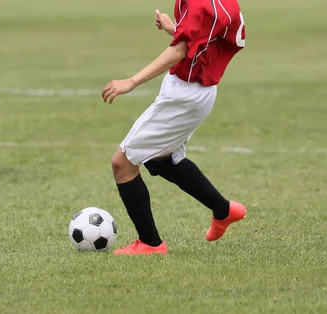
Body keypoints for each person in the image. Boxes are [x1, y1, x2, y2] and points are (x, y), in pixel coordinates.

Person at [102, 0, 247, 255]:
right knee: (162, 160)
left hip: (184, 94)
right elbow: (204, 39)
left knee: (122, 164)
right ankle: (224, 211)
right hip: (200, 90)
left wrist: (132, 81)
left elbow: (182, 49)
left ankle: (150, 244)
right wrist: (176, 28)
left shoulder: (200, 3)